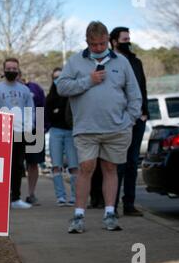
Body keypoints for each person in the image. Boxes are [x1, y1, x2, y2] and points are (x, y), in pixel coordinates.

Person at [56, 21, 142, 233]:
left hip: (116, 129)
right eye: (94, 44)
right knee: (86, 168)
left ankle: (110, 213)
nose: (98, 48)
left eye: (102, 43)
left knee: (111, 169)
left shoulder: (121, 62)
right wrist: (88, 80)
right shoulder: (76, 61)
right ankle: (78, 216)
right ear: (87, 42)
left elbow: (134, 93)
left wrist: (129, 119)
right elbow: (62, 87)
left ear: (108, 41)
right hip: (86, 129)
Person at [110, 27, 149, 217]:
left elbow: (142, 88)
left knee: (133, 163)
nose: (128, 42)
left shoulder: (136, 62)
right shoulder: (108, 62)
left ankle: (129, 204)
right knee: (117, 163)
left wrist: (144, 113)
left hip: (138, 119)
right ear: (114, 41)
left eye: (129, 38)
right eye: (124, 39)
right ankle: (112, 205)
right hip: (118, 120)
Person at [0, 58, 35, 209]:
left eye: (14, 68)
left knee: (17, 166)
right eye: (9, 68)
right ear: (3, 70)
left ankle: (15, 198)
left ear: (18, 70)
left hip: (20, 132)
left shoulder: (25, 90)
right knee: (0, 166)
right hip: (1, 132)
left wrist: (29, 127)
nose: (12, 71)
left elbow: (30, 110)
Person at [45, 67, 79, 207]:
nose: (58, 80)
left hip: (71, 132)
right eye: (55, 77)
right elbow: (48, 114)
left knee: (73, 166)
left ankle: (75, 196)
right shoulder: (50, 97)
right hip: (55, 132)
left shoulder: (72, 95)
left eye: (60, 77)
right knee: (56, 165)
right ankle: (60, 196)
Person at [19, 71, 46, 206]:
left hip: (34, 129)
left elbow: (42, 107)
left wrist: (43, 127)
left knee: (33, 163)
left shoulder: (35, 88)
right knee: (15, 164)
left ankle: (31, 194)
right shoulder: (6, 90)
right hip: (16, 130)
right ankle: (14, 194)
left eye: (19, 76)